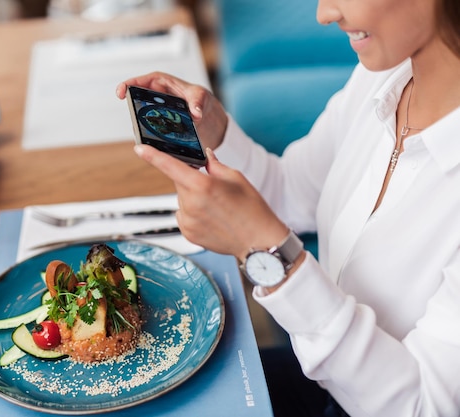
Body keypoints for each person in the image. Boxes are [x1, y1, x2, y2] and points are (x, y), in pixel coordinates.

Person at [115, 0, 460, 415]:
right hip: (321, 379)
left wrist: (270, 256)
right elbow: (292, 193)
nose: (324, 14)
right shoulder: (385, 78)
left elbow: (422, 408)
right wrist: (216, 132)